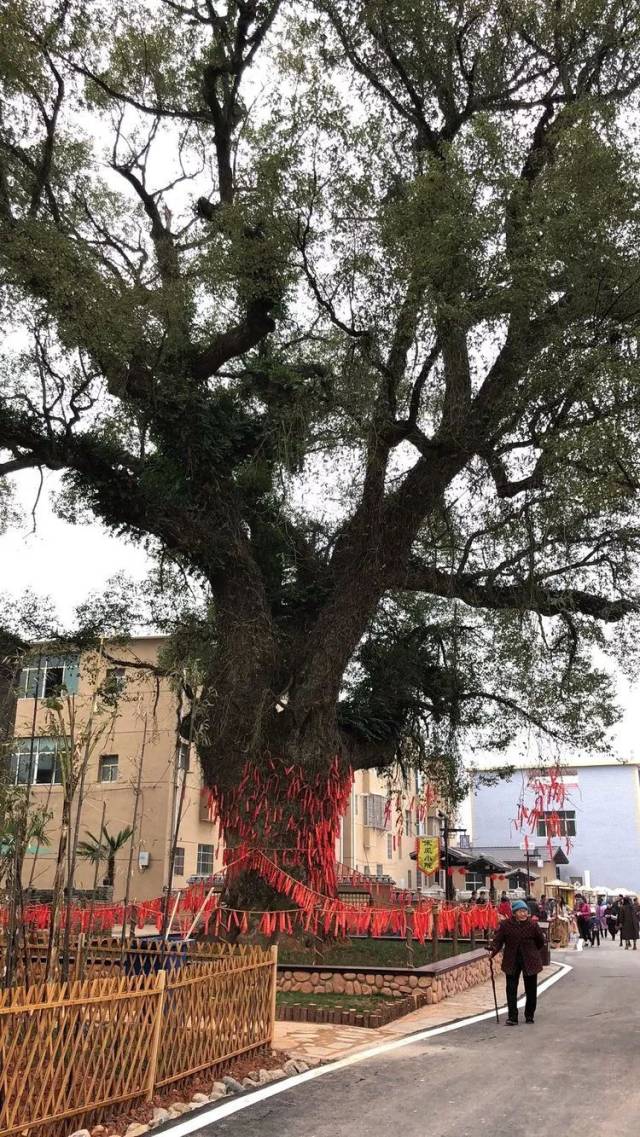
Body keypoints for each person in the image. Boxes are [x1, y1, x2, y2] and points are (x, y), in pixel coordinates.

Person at [490, 899, 546, 1025]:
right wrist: (493, 950)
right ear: (514, 913)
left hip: (530, 960)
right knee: (511, 989)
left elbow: (540, 941)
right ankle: (512, 1017)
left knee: (531, 989)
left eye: (525, 911)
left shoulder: (532, 925)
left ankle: (529, 1015)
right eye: (520, 911)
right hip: (512, 959)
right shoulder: (506, 925)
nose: (523, 914)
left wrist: (532, 952)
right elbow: (498, 941)